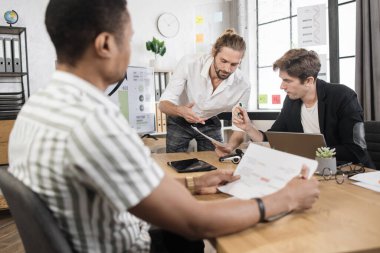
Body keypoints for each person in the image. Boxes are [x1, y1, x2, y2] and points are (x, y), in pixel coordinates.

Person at [8, 1, 320, 253]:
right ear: (105, 44)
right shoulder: (94, 121)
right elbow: (196, 222)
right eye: (128, 39)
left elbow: (120, 187)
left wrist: (193, 186)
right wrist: (286, 199)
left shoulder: (36, 108)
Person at [229, 48, 375, 169]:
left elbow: (355, 150)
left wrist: (308, 151)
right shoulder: (292, 101)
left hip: (350, 171)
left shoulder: (343, 97)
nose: (282, 86)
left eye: (287, 81)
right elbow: (273, 137)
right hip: (312, 170)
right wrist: (248, 128)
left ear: (308, 81)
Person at [159, 29, 250, 154]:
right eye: (223, 61)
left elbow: (239, 129)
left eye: (234, 64)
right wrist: (180, 111)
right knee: (175, 162)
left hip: (210, 120)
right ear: (214, 52)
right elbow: (163, 104)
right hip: (179, 118)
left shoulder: (243, 85)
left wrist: (230, 146)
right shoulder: (189, 63)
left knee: (216, 162)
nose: (227, 69)